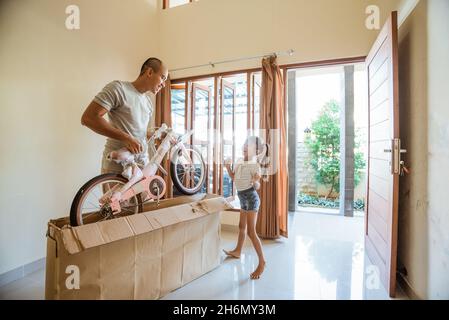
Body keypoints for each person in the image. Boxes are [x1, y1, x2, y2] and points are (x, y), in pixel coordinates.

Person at [80, 57, 168, 177]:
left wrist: (157, 136)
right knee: (115, 197)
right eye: (162, 78)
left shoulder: (148, 102)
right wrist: (126, 138)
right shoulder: (119, 89)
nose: (163, 84)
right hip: (117, 168)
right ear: (150, 72)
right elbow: (88, 118)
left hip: (141, 166)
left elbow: (137, 133)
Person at [223, 136, 267, 279]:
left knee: (251, 232)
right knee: (242, 227)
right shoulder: (239, 161)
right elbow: (233, 177)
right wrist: (227, 167)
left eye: (248, 145)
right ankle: (237, 251)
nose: (244, 147)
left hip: (251, 198)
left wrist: (254, 181)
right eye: (244, 144)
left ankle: (262, 263)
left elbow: (257, 180)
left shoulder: (254, 164)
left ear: (255, 151)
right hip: (242, 198)